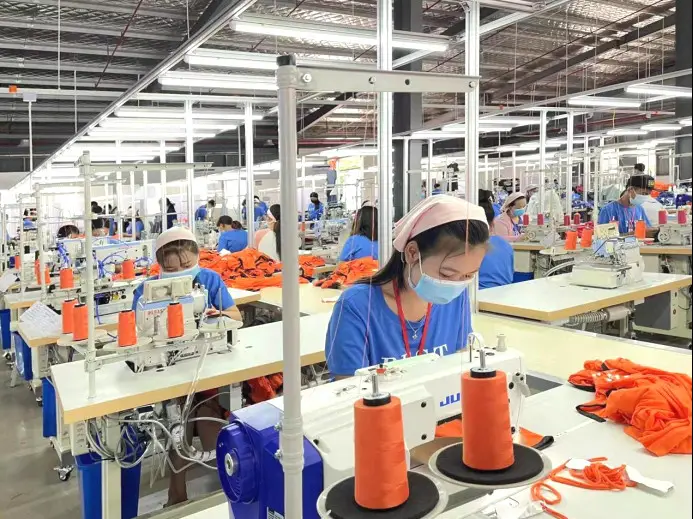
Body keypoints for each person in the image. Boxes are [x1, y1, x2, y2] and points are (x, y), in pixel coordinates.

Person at [131, 227, 241, 506]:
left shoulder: (209, 279)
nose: (180, 271)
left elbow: (234, 315)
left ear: (197, 258)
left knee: (204, 406)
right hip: (166, 368)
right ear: (160, 265)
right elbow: (136, 334)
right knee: (176, 415)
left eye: (187, 265)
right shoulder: (145, 291)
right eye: (171, 267)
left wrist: (216, 315)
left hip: (206, 362)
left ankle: (226, 488)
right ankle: (180, 493)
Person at [325, 195, 489, 376]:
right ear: (412, 253)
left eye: (468, 275)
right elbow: (348, 391)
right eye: (446, 274)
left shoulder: (457, 298)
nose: (455, 284)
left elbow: (459, 362)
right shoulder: (357, 306)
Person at [478, 194, 514, 290]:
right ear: (493, 223)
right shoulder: (506, 246)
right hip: (504, 295)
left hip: (480, 297)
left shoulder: (470, 246)